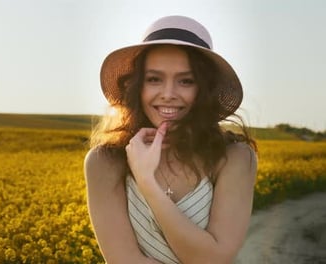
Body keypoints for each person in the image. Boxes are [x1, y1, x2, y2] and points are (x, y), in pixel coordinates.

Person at [84, 15, 258, 264]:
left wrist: (147, 184)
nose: (168, 94)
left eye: (186, 81)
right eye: (154, 79)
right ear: (137, 86)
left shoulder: (235, 157)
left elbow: (214, 259)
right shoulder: (104, 162)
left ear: (203, 90)